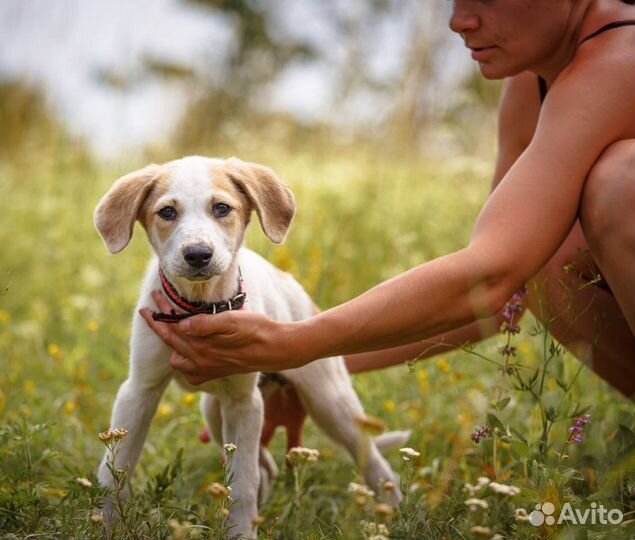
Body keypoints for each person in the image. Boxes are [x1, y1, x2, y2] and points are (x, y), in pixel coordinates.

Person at [140, 0, 635, 404]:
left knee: (619, 184)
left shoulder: (621, 56)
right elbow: (501, 298)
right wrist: (305, 375)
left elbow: (488, 277)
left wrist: (295, 343)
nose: (459, 21)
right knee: (545, 254)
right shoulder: (532, 81)